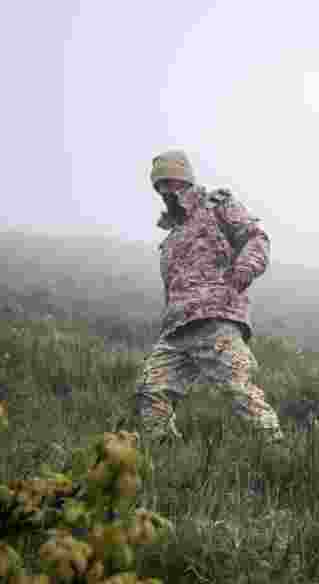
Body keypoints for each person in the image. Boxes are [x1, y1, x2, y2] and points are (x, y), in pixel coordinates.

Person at [132, 150, 284, 445]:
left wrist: (245, 267)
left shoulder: (216, 205)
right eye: (159, 185)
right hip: (176, 330)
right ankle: (167, 459)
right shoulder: (173, 234)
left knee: (239, 391)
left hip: (216, 318)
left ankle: (278, 455)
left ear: (185, 180)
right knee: (150, 392)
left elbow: (255, 237)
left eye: (171, 182)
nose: (165, 191)